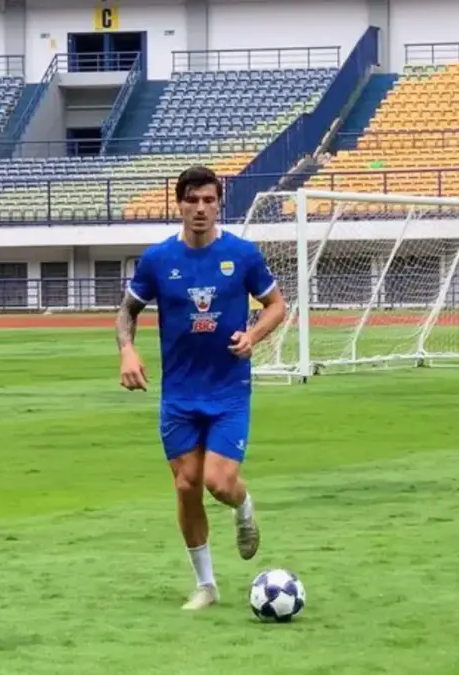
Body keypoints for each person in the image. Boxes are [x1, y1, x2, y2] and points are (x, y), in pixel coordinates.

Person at [115, 165, 287, 610]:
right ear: (179, 204)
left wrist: (253, 336)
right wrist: (127, 352)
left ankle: (244, 505)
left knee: (218, 481)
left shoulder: (243, 255)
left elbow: (276, 306)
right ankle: (206, 585)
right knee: (186, 484)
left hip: (228, 391)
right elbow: (127, 311)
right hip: (179, 395)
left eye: (209, 200)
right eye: (192, 200)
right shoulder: (157, 260)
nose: (200, 208)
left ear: (218, 205)